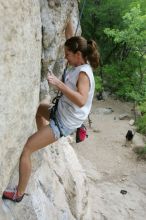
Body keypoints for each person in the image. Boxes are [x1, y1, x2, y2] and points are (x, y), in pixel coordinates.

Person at [2, 36, 100, 202]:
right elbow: (72, 36)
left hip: (63, 123)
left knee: (26, 149)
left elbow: (82, 100)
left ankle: (19, 194)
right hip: (60, 111)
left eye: (67, 54)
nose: (65, 57)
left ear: (77, 54)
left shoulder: (83, 73)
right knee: (38, 109)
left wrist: (58, 84)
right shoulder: (81, 61)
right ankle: (43, 138)